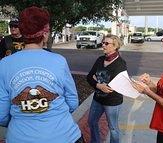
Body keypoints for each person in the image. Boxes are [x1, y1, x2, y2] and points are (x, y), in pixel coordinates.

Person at [0, 6, 84, 143]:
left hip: (19, 137)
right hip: (64, 136)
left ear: (22, 31)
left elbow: (2, 115)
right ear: (44, 34)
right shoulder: (59, 61)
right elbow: (73, 102)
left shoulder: (4, 64)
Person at [87, 34, 127, 143]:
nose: (103, 45)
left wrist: (97, 81)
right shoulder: (100, 59)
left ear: (115, 46)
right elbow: (89, 77)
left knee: (113, 128)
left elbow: (114, 86)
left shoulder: (120, 64)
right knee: (91, 122)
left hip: (112, 102)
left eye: (106, 43)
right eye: (103, 43)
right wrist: (98, 85)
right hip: (97, 99)